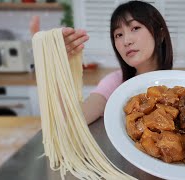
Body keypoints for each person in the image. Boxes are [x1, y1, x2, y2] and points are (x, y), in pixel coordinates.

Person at [30, 0, 173, 124]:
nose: (126, 41)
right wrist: (53, 63)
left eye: (135, 28)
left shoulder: (179, 85)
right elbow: (72, 121)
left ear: (159, 34)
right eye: (118, 34)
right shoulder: (114, 83)